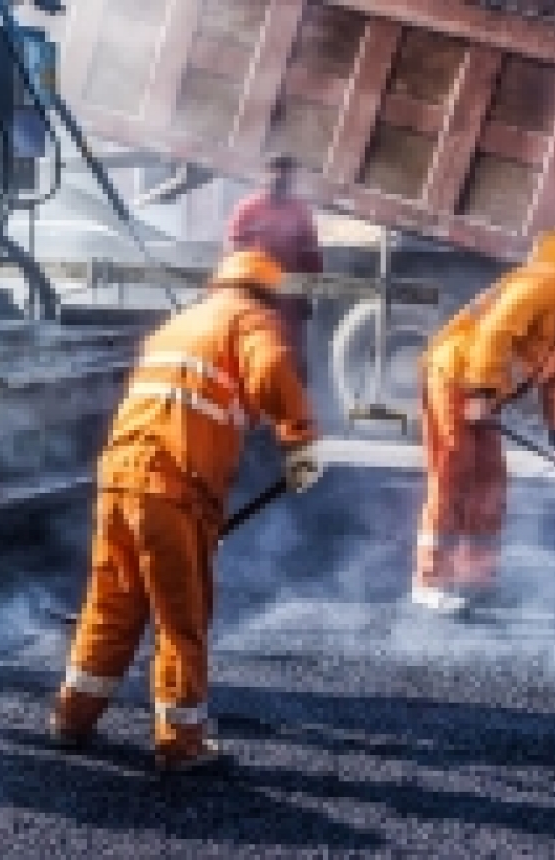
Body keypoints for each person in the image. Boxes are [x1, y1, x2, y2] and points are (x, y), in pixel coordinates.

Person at [50, 250, 322, 772]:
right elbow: (267, 368)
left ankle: (73, 720)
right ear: (266, 294)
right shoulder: (250, 319)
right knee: (182, 621)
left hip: (119, 479)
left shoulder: (180, 323)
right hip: (172, 488)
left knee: (111, 603)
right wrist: (300, 440)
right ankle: (181, 744)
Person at [413, 247, 555, 615]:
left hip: (485, 395)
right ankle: (429, 582)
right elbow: (492, 335)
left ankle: (474, 579)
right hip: (455, 379)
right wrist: (479, 393)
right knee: (454, 476)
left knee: (491, 483)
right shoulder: (540, 286)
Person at [225, 153, 323, 382]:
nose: (279, 176)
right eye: (275, 170)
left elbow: (311, 256)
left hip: (289, 299)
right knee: (251, 353)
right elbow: (232, 255)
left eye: (285, 171)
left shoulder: (300, 212)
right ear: (265, 174)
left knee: (291, 357)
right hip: (254, 297)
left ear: (292, 176)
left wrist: (307, 295)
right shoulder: (247, 209)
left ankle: (289, 408)